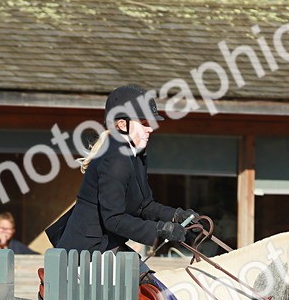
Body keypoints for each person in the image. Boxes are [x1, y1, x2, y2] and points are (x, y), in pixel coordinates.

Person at [48, 85, 196, 258]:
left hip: (107, 245)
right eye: (144, 123)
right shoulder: (115, 160)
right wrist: (160, 230)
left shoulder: (134, 155)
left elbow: (145, 205)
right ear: (121, 124)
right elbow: (114, 219)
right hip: (86, 251)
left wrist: (176, 215)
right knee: (143, 274)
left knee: (148, 275)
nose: (150, 128)